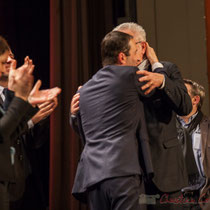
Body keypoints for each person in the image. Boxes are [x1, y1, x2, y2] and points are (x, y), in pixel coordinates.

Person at [70, 22, 192, 209]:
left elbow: (185, 106)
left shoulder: (165, 70)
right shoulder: (110, 79)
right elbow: (89, 130)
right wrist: (74, 115)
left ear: (142, 47)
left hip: (160, 173)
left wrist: (162, 81)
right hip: (126, 173)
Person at [71, 30, 159, 210]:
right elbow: (157, 86)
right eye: (136, 51)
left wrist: (73, 116)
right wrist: (156, 63)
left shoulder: (84, 90)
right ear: (121, 57)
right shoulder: (131, 76)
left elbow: (81, 130)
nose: (138, 57)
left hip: (93, 178)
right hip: (123, 173)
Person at [0, 36, 61, 210]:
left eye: (11, 57)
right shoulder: (17, 96)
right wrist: (27, 104)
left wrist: (35, 109)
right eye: (5, 59)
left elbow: (34, 140)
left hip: (24, 180)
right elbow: (4, 133)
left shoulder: (14, 93)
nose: (10, 62)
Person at [176, 79, 210, 209]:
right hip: (175, 200)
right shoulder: (166, 129)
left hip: (204, 199)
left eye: (181, 93)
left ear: (195, 100)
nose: (176, 96)